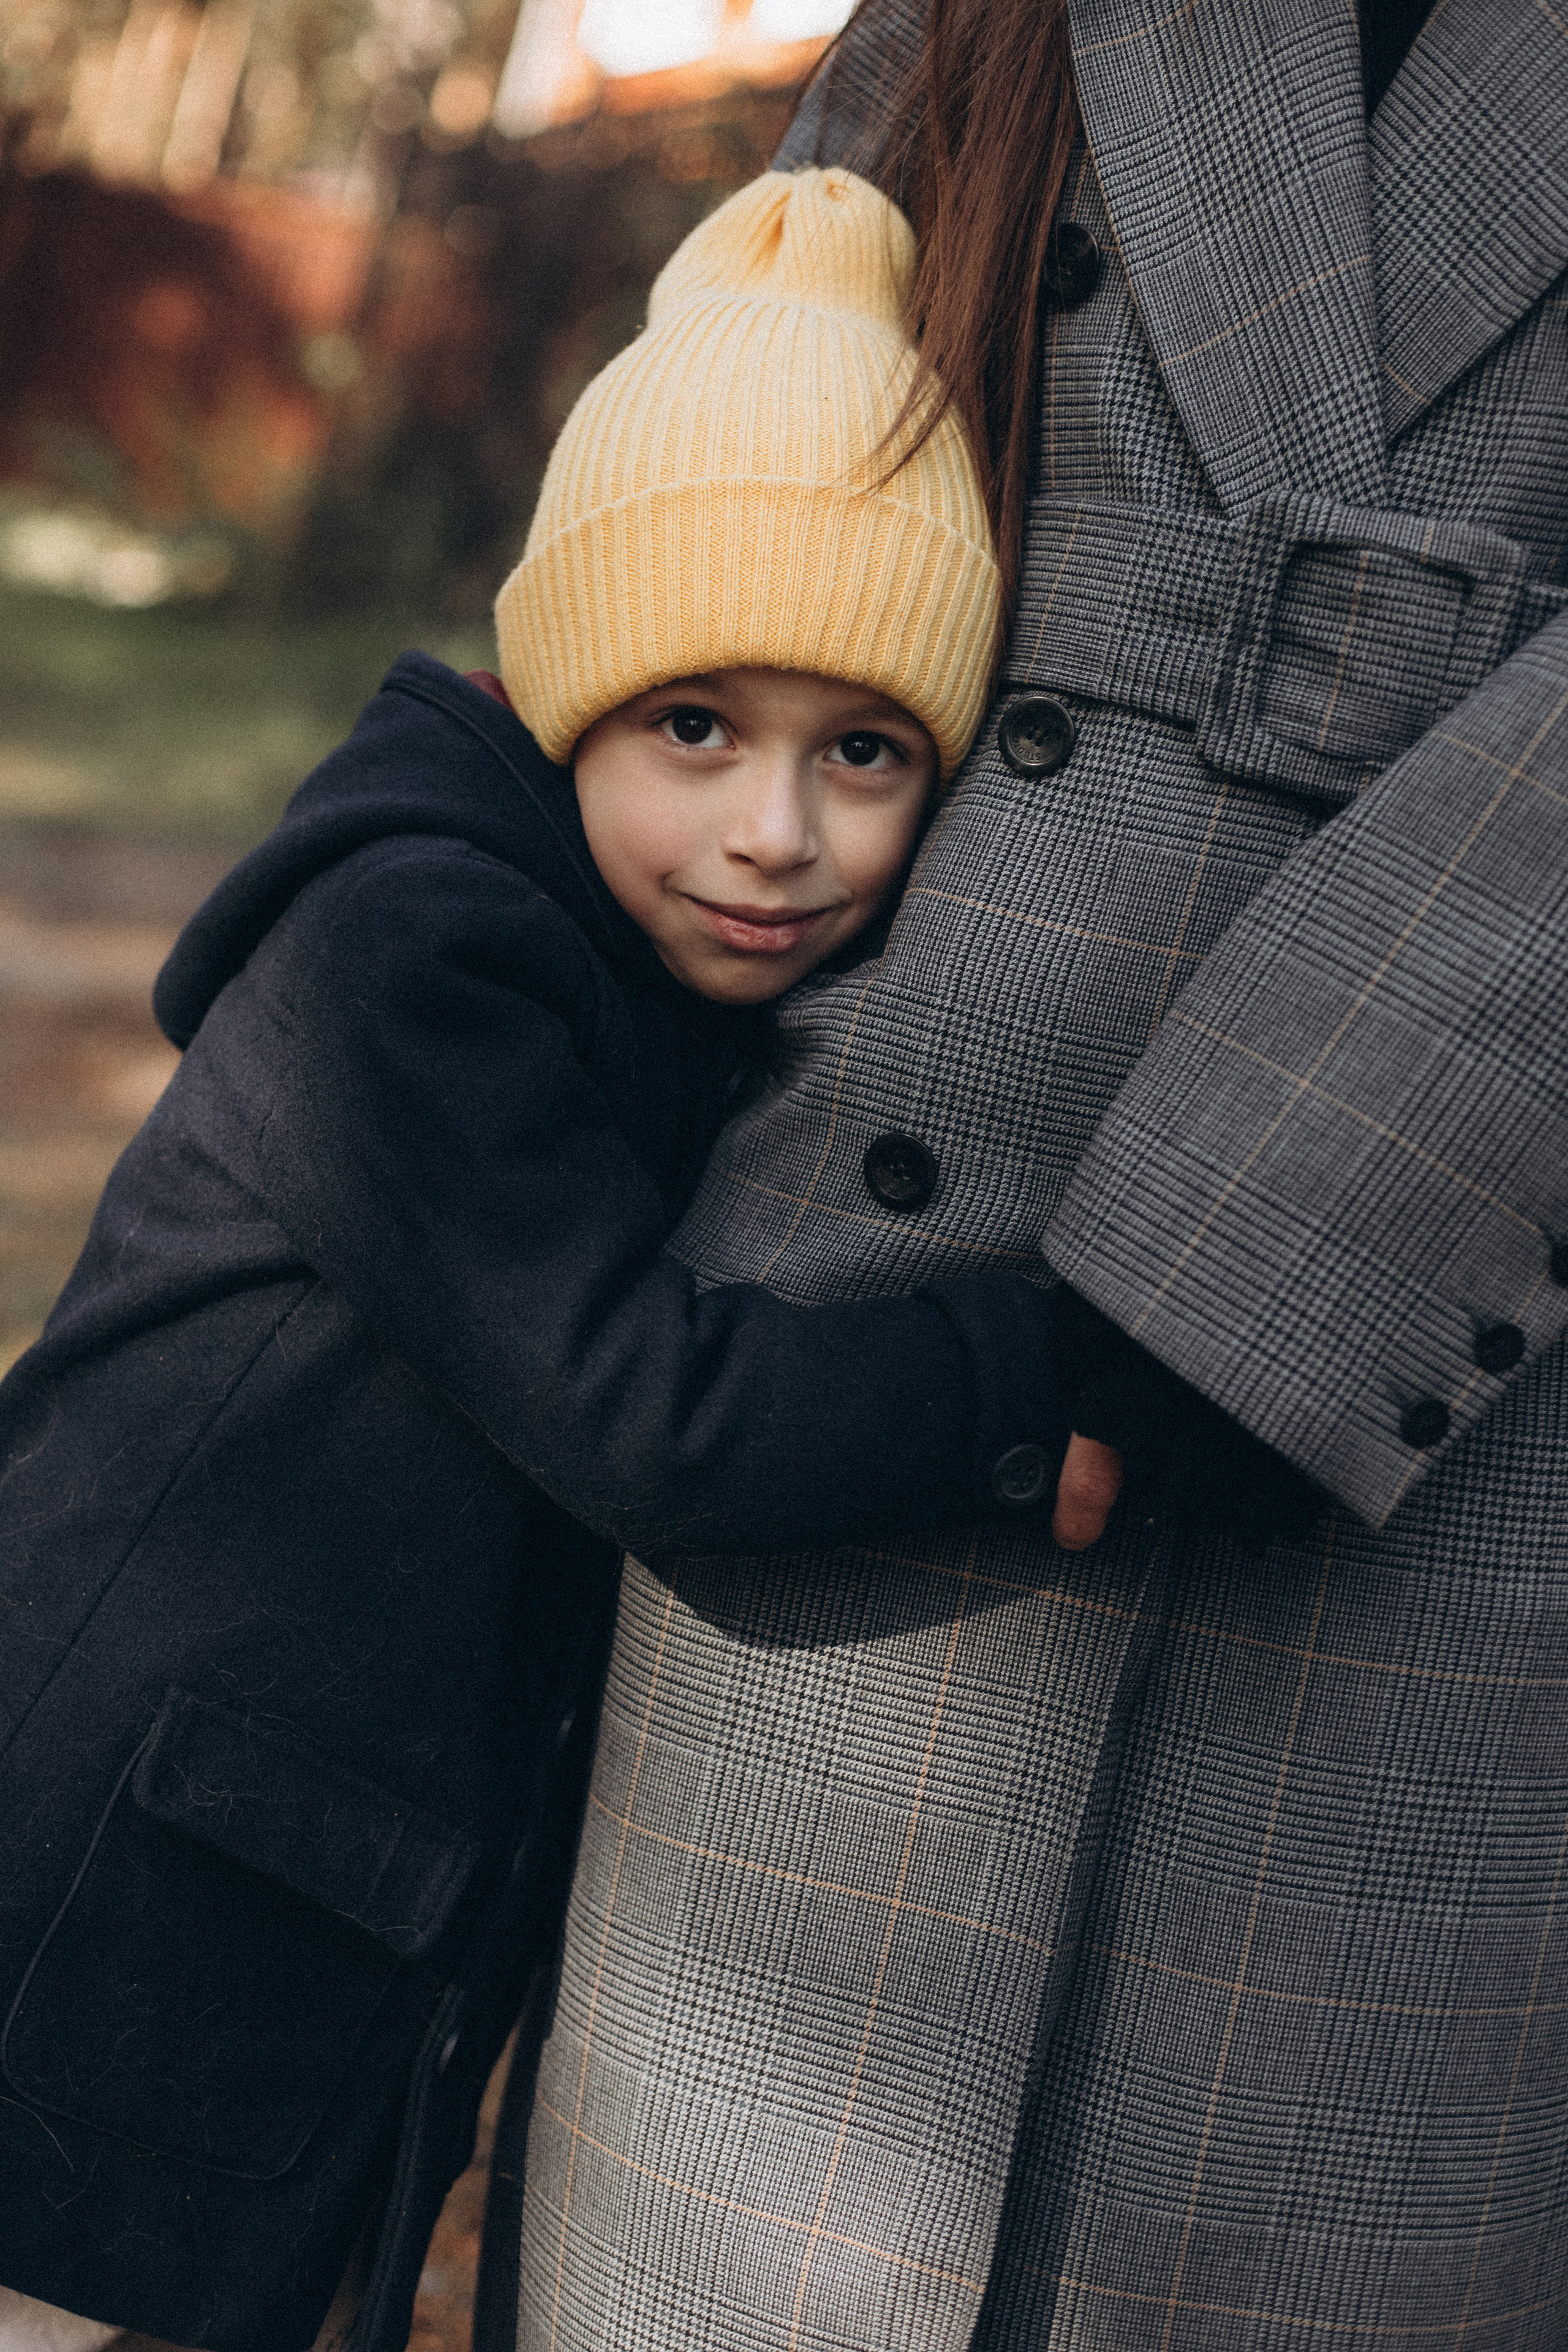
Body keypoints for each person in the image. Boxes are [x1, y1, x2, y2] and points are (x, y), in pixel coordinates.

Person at [489, 2, 1568, 2348]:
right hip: (848, 1350)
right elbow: (733, 449)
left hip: (1467, 1352)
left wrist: (1306, 1216)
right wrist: (426, 898)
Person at [0, 168, 1073, 2352]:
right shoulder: (413, 959)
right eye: (698, 726)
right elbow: (644, 1410)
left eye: (866, 753)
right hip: (92, 1854)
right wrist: (1045, 1374)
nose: (776, 832)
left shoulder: (633, 974)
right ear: (570, 692)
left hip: (248, 1870)